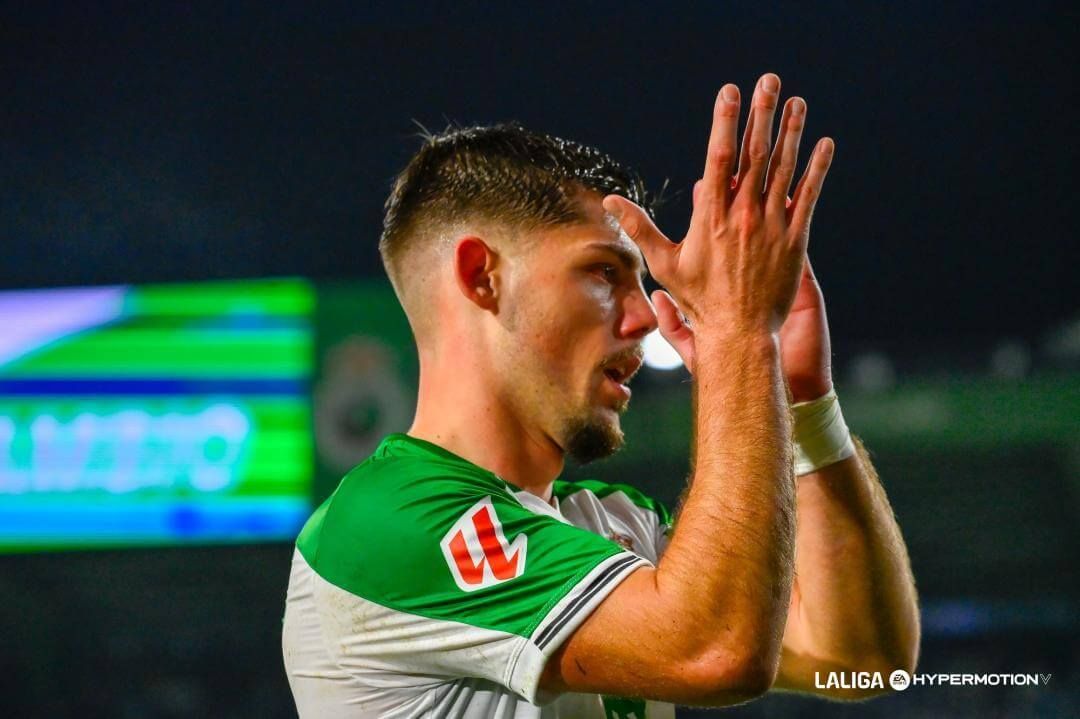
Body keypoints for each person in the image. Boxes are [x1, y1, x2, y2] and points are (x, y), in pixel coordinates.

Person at [282, 73, 920, 718]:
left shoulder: (614, 523)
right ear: (481, 277)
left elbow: (858, 663)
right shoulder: (385, 522)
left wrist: (801, 400)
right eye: (603, 272)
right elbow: (715, 652)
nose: (646, 316)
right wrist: (738, 334)